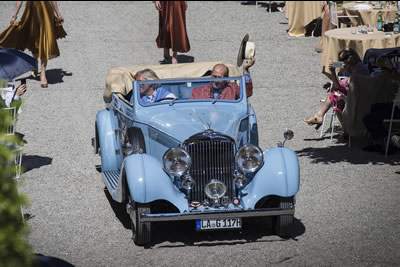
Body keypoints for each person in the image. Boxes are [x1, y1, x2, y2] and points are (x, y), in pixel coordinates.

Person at [0, 1, 67, 88]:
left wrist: (58, 14)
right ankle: (34, 61)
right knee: (33, 39)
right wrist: (14, 15)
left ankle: (43, 73)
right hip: (31, 11)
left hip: (46, 12)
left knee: (45, 41)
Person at [303, 49, 369, 128]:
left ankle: (322, 117)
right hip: (350, 93)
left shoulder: (359, 67)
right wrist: (333, 72)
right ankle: (321, 116)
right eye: (341, 60)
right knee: (335, 94)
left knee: (335, 97)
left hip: (358, 95)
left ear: (353, 55)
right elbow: (337, 86)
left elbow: (356, 82)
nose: (344, 61)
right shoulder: (349, 66)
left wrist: (347, 71)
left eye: (346, 58)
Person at [190, 57, 256, 100]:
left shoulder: (233, 89)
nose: (216, 81)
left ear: (226, 79)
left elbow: (247, 93)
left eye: (219, 78)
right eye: (214, 76)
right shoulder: (197, 91)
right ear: (210, 76)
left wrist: (245, 69)